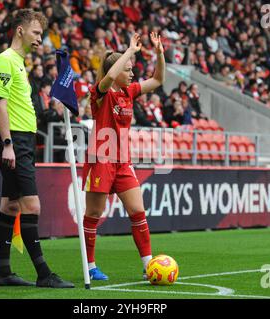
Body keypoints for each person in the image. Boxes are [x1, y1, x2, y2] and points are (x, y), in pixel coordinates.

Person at [0, 8, 74, 288]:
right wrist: (9, 144)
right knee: (31, 205)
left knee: (10, 205)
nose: (41, 38)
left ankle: (4, 273)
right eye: (37, 32)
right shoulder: (5, 60)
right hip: (14, 140)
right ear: (20, 30)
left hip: (21, 140)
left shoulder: (19, 63)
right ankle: (44, 274)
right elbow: (0, 103)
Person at [82, 32, 165, 280]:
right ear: (116, 70)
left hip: (122, 162)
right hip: (100, 161)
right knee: (94, 215)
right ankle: (90, 266)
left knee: (138, 211)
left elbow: (158, 80)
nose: (131, 74)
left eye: (132, 70)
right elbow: (107, 78)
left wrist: (160, 53)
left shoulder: (130, 92)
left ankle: (149, 265)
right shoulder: (100, 93)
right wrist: (129, 51)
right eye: (127, 70)